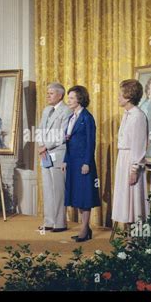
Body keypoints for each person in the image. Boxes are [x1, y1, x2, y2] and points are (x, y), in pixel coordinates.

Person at [62, 85, 101, 242]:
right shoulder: (72, 117)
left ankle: (85, 229)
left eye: (71, 98)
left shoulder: (87, 117)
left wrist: (87, 163)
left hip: (83, 162)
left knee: (85, 196)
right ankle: (84, 228)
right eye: (68, 98)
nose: (68, 101)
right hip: (72, 161)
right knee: (77, 196)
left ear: (80, 99)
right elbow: (68, 142)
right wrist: (65, 160)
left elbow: (91, 142)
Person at [111, 79, 149, 228]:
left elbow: (139, 145)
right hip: (123, 158)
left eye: (120, 94)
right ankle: (129, 236)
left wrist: (134, 169)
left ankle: (136, 239)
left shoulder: (138, 116)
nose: (118, 98)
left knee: (133, 197)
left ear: (128, 96)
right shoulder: (127, 114)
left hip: (132, 160)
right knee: (125, 198)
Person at [37, 83, 72, 232]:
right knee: (47, 188)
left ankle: (60, 223)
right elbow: (39, 129)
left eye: (51, 93)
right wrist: (40, 145)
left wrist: (46, 146)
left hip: (57, 153)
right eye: (47, 93)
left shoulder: (67, 111)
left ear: (60, 95)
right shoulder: (46, 110)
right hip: (44, 154)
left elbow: (64, 135)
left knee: (58, 189)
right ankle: (49, 221)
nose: (48, 96)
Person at [138, 77, 151, 159]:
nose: (150, 91)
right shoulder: (143, 104)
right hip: (144, 136)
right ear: (146, 89)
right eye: (148, 89)